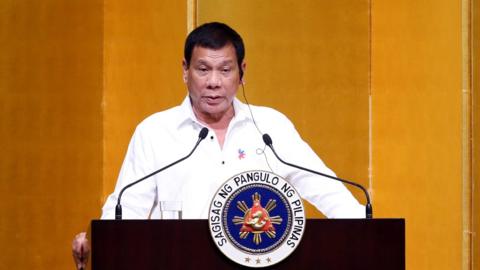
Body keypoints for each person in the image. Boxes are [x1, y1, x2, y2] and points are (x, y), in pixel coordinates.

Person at [72, 21, 365, 269]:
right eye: (203, 69)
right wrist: (98, 241)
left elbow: (326, 189)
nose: (214, 82)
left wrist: (370, 232)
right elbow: (127, 209)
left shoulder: (271, 127)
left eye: (225, 70)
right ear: (185, 70)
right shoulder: (155, 131)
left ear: (242, 72)